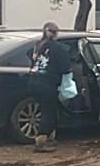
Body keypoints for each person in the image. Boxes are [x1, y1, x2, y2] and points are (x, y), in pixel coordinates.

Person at [28, 22, 70, 152]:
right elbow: (64, 67)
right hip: (48, 84)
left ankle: (50, 138)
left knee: (45, 110)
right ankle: (40, 142)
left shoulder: (37, 45)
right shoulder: (57, 48)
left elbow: (30, 55)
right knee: (49, 113)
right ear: (55, 33)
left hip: (34, 81)